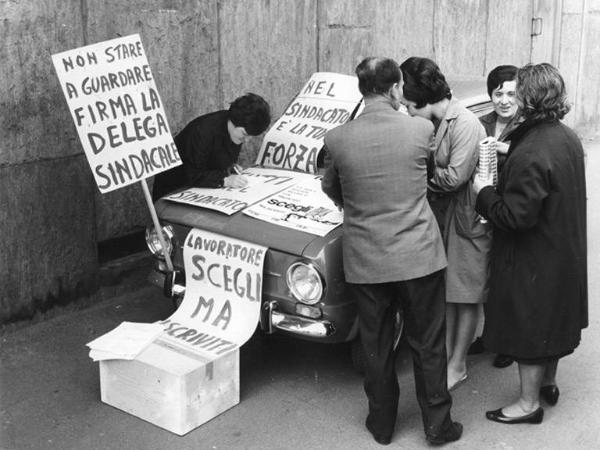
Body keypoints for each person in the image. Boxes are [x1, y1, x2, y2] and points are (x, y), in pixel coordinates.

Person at [321, 56, 462, 446]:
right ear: (397, 88)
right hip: (419, 255)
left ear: (362, 89)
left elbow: (331, 187)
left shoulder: (338, 137)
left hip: (367, 260)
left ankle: (382, 425)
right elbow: (430, 174)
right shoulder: (420, 130)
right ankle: (437, 425)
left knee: (376, 345)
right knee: (428, 343)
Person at [474, 63, 587, 424]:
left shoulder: (533, 149)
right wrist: (511, 154)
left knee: (531, 324)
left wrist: (484, 192)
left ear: (528, 98)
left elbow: (514, 216)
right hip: (562, 248)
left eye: (517, 91)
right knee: (552, 318)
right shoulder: (564, 136)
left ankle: (527, 404)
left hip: (534, 255)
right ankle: (548, 384)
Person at [399, 57, 490, 391]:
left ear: (423, 100)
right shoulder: (436, 123)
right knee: (451, 295)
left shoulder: (464, 123)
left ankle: (458, 364)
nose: (407, 112)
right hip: (446, 218)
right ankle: (452, 358)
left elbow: (453, 178)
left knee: (466, 296)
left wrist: (417, 179)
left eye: (409, 106)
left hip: (466, 219)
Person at [473, 64, 522, 369]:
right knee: (486, 274)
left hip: (512, 209)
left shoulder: (527, 124)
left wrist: (504, 148)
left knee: (509, 278)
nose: (504, 100)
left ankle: (508, 341)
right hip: (484, 207)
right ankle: (490, 335)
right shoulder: (481, 122)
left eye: (511, 93)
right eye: (498, 93)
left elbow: (533, 155)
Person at [152, 93, 271, 201]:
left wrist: (230, 167)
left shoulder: (234, 130)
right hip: (174, 190)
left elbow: (217, 158)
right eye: (245, 134)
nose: (247, 139)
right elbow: (193, 174)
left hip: (203, 191)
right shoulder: (202, 132)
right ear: (235, 122)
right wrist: (224, 180)